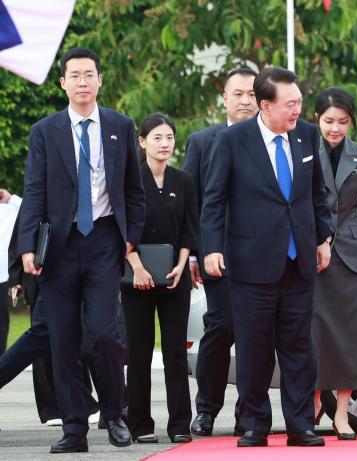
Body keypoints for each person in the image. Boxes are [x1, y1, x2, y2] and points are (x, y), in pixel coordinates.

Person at [17, 47, 145, 453]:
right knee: (63, 339)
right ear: (63, 83)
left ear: (100, 80)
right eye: (74, 76)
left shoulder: (120, 126)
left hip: (105, 241)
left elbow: (133, 189)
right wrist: (26, 247)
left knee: (107, 334)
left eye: (89, 75)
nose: (82, 82)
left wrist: (130, 237)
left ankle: (115, 414)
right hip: (58, 245)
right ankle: (74, 428)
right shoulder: (45, 131)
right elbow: (34, 190)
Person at [200, 66, 333, 448]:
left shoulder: (307, 135)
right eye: (289, 104)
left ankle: (300, 425)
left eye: (299, 103)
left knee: (298, 347)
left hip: (299, 260)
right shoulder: (233, 140)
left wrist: (325, 238)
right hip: (250, 260)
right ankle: (255, 423)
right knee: (254, 347)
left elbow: (316, 195)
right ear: (265, 105)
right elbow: (214, 199)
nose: (297, 111)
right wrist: (211, 248)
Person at [183, 67, 259, 437]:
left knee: (255, 334)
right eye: (237, 94)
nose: (245, 101)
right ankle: (207, 409)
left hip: (264, 254)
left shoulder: (275, 138)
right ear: (224, 99)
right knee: (222, 326)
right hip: (220, 254)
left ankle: (249, 414)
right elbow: (191, 201)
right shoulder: (202, 141)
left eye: (251, 94)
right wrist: (197, 253)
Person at [121, 112, 198, 444]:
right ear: (142, 142)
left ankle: (180, 423)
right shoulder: (129, 181)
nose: (164, 144)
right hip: (136, 277)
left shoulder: (184, 181)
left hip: (175, 276)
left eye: (169, 138)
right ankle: (140, 423)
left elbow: (190, 229)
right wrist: (136, 265)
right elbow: (120, 227)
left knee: (175, 352)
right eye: (157, 138)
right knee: (137, 352)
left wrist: (182, 265)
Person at [311, 87, 357, 440]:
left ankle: (342, 413)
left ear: (351, 121)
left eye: (342, 122)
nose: (335, 128)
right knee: (313, 334)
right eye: (328, 121)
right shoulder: (303, 150)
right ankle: (312, 404)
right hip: (313, 253)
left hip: (353, 254)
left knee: (353, 336)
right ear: (317, 119)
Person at [2, 212, 100, 426]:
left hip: (87, 269)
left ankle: (102, 407)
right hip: (46, 272)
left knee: (86, 338)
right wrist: (16, 277)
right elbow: (22, 231)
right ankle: (54, 408)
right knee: (45, 341)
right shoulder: (45, 184)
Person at [0, 187, 21, 355]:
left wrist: (11, 197)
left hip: (3, 275)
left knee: (1, 321)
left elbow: (30, 209)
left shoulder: (11, 208)